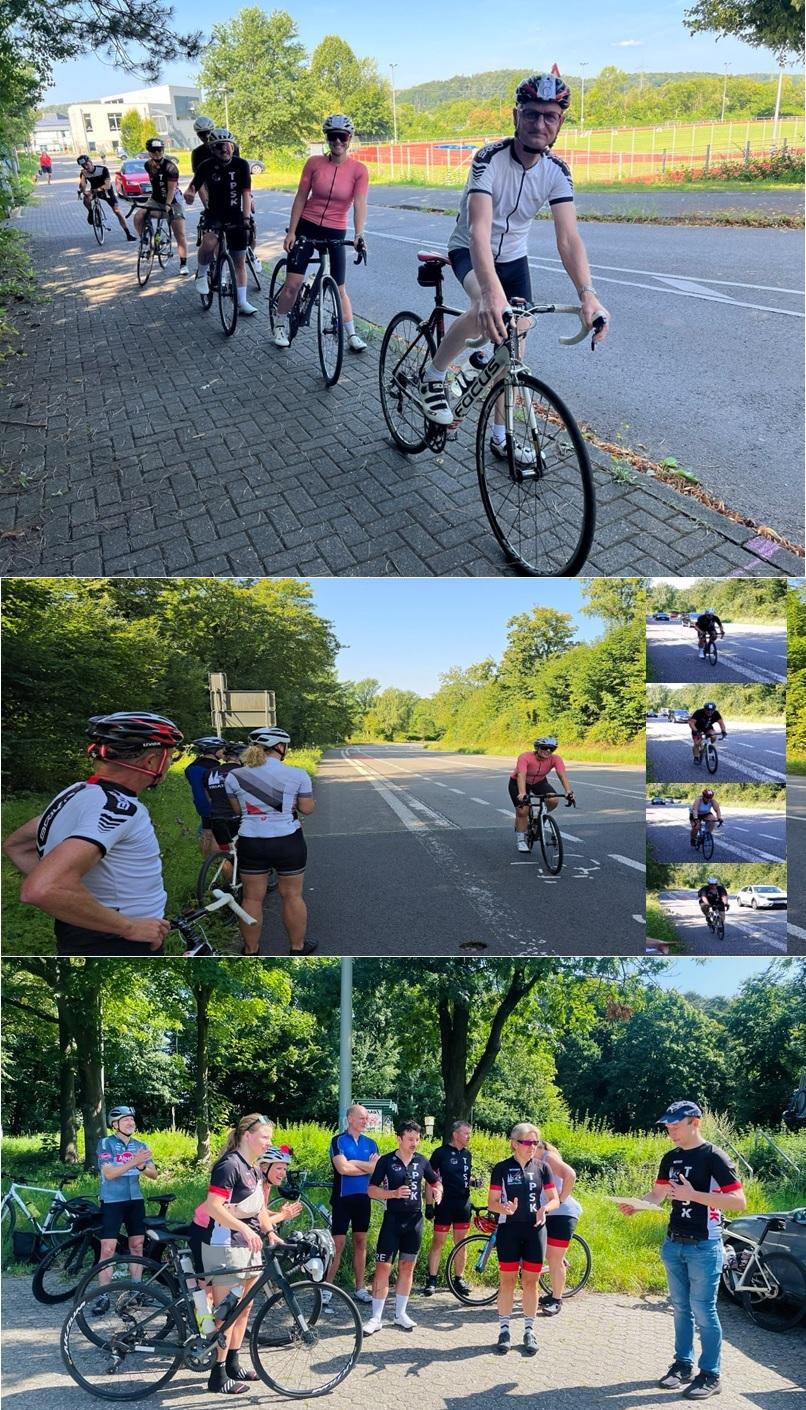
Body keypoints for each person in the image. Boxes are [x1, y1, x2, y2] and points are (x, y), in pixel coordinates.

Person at [418, 72, 609, 436]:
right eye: (532, 113)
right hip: (469, 249)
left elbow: (568, 239)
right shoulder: (488, 159)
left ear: (560, 123)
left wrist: (588, 295)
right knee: (483, 310)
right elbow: (478, 229)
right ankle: (435, 375)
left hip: (514, 258)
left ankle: (499, 435)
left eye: (549, 116)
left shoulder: (557, 172)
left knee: (516, 341)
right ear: (516, 116)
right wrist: (490, 293)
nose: (540, 123)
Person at [3, 711, 183, 956]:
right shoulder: (119, 809)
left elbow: (17, 845)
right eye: (169, 756)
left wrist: (77, 901)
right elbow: (40, 888)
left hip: (85, 930)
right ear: (151, 762)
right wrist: (128, 927)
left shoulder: (76, 793)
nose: (170, 762)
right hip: (117, 941)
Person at [618, 1099, 746, 1401]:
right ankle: (682, 1365)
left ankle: (711, 1375)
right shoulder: (670, 1158)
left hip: (705, 1246)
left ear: (695, 1123)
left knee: (704, 1311)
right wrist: (638, 1206)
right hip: (674, 1243)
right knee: (681, 1310)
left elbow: (739, 1202)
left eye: (675, 1126)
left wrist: (694, 1195)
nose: (670, 1131)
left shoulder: (715, 1157)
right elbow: (659, 1193)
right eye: (667, 1126)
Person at [273, 114, 368, 353]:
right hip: (308, 224)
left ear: (350, 139)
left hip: (336, 228)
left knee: (340, 287)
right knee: (293, 284)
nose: (337, 141)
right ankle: (280, 323)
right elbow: (301, 197)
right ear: (327, 138)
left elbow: (360, 203)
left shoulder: (359, 170)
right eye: (332, 136)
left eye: (342, 137)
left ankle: (351, 334)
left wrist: (359, 234)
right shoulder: (314, 163)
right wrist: (292, 231)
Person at [224, 726, 317, 956]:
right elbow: (307, 809)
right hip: (287, 840)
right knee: (292, 895)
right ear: (280, 747)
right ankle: (297, 948)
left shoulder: (234, 776)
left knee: (252, 897)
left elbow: (236, 810)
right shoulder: (297, 774)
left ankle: (251, 950)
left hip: (251, 840)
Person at [203, 1113, 277, 1395]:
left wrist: (269, 1232)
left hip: (249, 1245)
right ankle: (217, 1375)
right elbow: (213, 1206)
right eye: (264, 1137)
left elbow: (258, 1208)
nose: (268, 1142)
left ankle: (233, 1362)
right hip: (226, 1244)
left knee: (244, 1307)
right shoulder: (229, 1165)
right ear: (247, 1135)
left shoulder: (254, 1168)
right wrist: (244, 1230)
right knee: (225, 1313)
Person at [488, 1121, 559, 1356]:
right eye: (527, 1142)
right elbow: (492, 1202)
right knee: (507, 1281)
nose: (532, 1146)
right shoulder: (501, 1168)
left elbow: (554, 1198)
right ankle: (504, 1330)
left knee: (531, 1281)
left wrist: (545, 1209)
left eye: (535, 1142)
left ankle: (529, 1330)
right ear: (514, 1143)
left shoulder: (542, 1167)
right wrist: (504, 1208)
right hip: (509, 1229)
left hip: (535, 1230)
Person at [364, 1120, 442, 1334]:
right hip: (393, 1221)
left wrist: (438, 1191)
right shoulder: (386, 1161)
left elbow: (435, 1181)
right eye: (410, 1139)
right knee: (383, 1268)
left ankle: (400, 1314)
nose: (414, 1143)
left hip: (414, 1221)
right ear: (399, 1138)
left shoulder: (421, 1161)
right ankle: (376, 1317)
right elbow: (371, 1190)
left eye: (417, 1139)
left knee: (407, 1267)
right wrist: (393, 1194)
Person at [91, 1106, 157, 1313]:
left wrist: (140, 1166)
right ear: (115, 1124)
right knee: (108, 1248)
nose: (131, 1123)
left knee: (137, 1245)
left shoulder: (140, 1145)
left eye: (132, 1119)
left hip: (135, 1200)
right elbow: (109, 1173)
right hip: (112, 1201)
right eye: (126, 1120)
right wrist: (133, 1162)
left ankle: (137, 1291)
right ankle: (102, 1295)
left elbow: (153, 1173)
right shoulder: (106, 1143)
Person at [194, 129, 258, 317]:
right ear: (212, 149)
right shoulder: (206, 165)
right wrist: (190, 194)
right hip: (214, 213)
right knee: (210, 241)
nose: (225, 149)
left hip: (234, 214)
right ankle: (201, 273)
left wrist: (246, 219)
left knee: (239, 260)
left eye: (229, 145)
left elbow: (246, 193)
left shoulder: (241, 165)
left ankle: (242, 301)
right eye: (220, 147)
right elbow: (194, 187)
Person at [325, 1104, 379, 1303]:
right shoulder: (338, 1140)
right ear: (350, 1118)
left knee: (360, 1242)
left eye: (367, 1118)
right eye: (361, 1118)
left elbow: (376, 1169)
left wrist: (354, 1162)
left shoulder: (371, 1143)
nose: (365, 1121)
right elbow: (342, 1169)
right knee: (337, 1244)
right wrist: (365, 1166)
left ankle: (360, 1288)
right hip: (342, 1198)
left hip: (363, 1199)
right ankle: (326, 1287)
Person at [423, 1120, 473, 1296]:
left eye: (469, 1133)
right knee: (438, 1242)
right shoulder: (440, 1153)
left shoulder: (467, 1155)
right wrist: (429, 1205)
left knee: (461, 1243)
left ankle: (459, 1278)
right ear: (455, 1134)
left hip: (463, 1204)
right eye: (466, 1133)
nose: (469, 1137)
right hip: (444, 1204)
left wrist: (473, 1182)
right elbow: (430, 1180)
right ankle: (432, 1279)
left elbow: (463, 1178)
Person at [535, 1136, 582, 1314]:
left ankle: (557, 1300)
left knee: (554, 1259)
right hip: (549, 1212)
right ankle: (559, 1266)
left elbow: (570, 1174)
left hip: (563, 1213)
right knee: (550, 1255)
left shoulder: (547, 1157)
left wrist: (560, 1200)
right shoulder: (538, 1161)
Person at [133, 137, 189, 275]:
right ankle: (145, 242)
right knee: (139, 215)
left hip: (173, 201)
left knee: (179, 233)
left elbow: (171, 189)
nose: (157, 153)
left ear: (163, 150)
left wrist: (168, 205)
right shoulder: (147, 165)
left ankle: (183, 264)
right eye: (153, 150)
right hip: (155, 199)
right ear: (149, 152)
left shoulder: (171, 167)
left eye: (160, 150)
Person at [509, 736, 575, 852]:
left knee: (553, 799)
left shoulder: (555, 759)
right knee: (523, 810)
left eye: (552, 749)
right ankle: (521, 840)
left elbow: (562, 774)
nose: (548, 751)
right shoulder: (525, 757)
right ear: (537, 748)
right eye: (545, 748)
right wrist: (523, 793)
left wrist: (568, 791)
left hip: (539, 782)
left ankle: (540, 817)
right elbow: (521, 774)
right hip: (518, 782)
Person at [76, 153, 136, 241]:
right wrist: (82, 188)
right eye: (83, 166)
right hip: (95, 191)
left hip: (106, 191)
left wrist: (94, 190)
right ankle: (90, 212)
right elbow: (83, 186)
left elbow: (107, 185)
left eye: (86, 164)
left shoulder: (103, 169)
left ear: (90, 162)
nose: (86, 167)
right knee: (86, 198)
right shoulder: (84, 172)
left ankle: (128, 234)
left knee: (117, 212)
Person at [184, 737, 229, 853]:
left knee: (206, 832)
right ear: (214, 750)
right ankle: (216, 862)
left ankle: (207, 862)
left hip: (202, 805)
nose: (225, 751)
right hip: (213, 806)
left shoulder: (193, 767)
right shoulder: (212, 768)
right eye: (223, 749)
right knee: (213, 835)